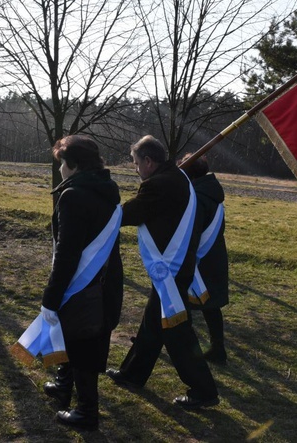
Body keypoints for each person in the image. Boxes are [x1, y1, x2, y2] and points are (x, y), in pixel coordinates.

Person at [106, 135, 219, 409]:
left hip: (172, 268)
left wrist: (100, 214)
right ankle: (133, 373)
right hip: (177, 265)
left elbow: (132, 213)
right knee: (153, 324)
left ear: (148, 161)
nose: (135, 169)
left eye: (135, 163)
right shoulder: (176, 176)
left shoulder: (159, 184)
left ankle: (204, 391)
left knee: (176, 331)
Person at [38, 135, 123, 431]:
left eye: (62, 163)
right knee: (76, 336)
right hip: (106, 280)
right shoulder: (108, 191)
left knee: (82, 342)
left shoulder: (73, 196)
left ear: (72, 165)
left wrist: (51, 295)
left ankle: (87, 412)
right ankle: (63, 385)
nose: (60, 169)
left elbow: (67, 253)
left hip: (83, 285)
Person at [178, 153, 229, 365]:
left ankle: (185, 349)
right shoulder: (210, 193)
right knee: (210, 305)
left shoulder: (197, 197)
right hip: (214, 256)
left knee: (180, 301)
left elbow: (191, 231)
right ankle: (217, 348)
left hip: (200, 259)